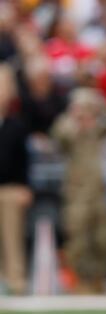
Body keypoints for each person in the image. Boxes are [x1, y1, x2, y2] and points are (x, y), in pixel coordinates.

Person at [51, 88, 106, 294]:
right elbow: (60, 136)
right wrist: (75, 118)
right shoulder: (67, 126)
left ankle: (98, 278)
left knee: (102, 237)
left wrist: (99, 106)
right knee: (78, 238)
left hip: (98, 190)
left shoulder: (97, 127)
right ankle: (78, 280)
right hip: (76, 191)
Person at [0, 63, 32, 295]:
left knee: (12, 237)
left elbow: (24, 160)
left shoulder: (16, 125)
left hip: (10, 188)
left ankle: (16, 281)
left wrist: (24, 186)